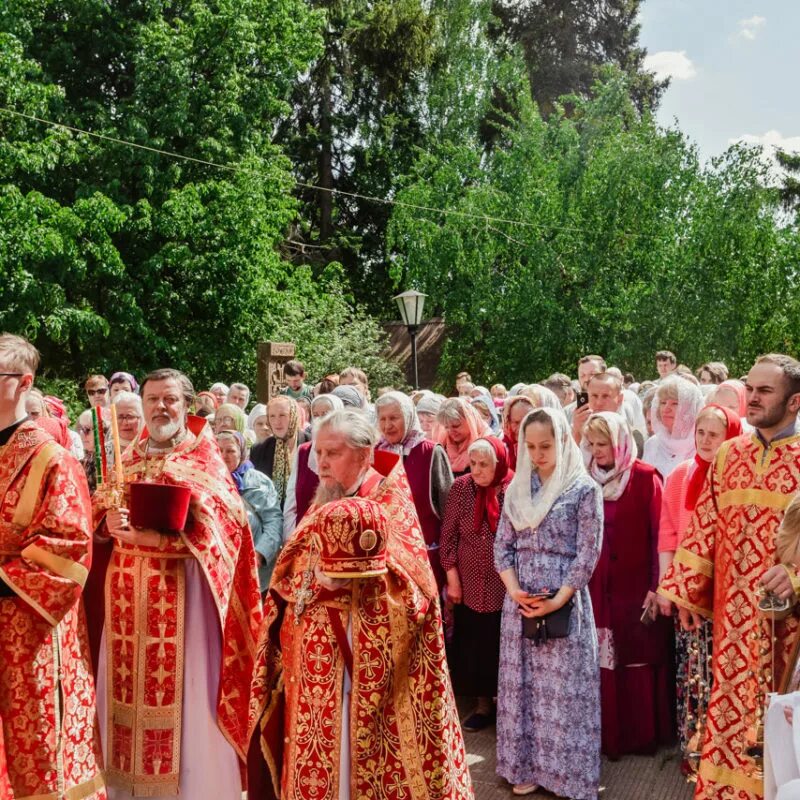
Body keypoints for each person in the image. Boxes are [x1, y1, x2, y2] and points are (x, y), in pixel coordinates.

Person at [249, 412, 473, 800]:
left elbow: (416, 592)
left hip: (363, 679)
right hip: (313, 672)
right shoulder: (326, 499)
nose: (321, 463)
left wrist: (360, 580)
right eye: (318, 452)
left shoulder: (388, 502)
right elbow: (292, 566)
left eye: (332, 453)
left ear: (365, 454)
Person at [95, 368, 262, 799]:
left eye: (169, 399)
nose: (160, 408)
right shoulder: (127, 456)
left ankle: (194, 789)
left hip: (182, 600)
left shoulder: (201, 457)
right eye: (152, 400)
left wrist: (161, 538)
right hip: (125, 598)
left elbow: (229, 529)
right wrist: (105, 523)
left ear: (186, 405)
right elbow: (98, 511)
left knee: (189, 705)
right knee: (120, 696)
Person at [659, 354, 800, 800]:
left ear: (794, 402)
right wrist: (685, 595)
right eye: (750, 388)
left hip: (788, 633)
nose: (753, 398)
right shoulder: (729, 454)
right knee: (729, 721)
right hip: (731, 628)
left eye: (765, 391)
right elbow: (704, 527)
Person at [0, 333, 106, 799]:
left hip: (29, 631)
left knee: (37, 751)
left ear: (23, 383)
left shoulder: (52, 458)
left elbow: (67, 550)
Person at [494, 407, 602, 798]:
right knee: (523, 688)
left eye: (546, 445)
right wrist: (514, 589)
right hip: (520, 601)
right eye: (531, 446)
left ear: (562, 442)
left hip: (564, 600)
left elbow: (587, 553)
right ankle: (526, 766)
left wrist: (558, 600)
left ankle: (565, 775)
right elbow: (502, 546)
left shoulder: (583, 489)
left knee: (562, 691)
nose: (537, 454)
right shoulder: (516, 489)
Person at [582, 412, 674, 759]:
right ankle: (608, 736)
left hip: (636, 587)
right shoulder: (584, 479)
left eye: (602, 443)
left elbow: (659, 536)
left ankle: (639, 737)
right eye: (590, 444)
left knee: (637, 658)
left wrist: (657, 584)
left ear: (619, 443)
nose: (596, 451)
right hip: (596, 590)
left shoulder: (645, 477)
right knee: (603, 660)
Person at [656, 404, 742, 763]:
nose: (706, 441)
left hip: (727, 592)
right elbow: (669, 532)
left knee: (725, 670)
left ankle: (725, 753)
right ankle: (693, 748)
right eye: (701, 433)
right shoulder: (680, 475)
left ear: (732, 438)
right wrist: (667, 585)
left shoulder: (738, 479)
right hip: (689, 592)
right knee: (693, 669)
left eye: (715, 434)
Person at [441, 437, 513, 732]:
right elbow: (448, 538)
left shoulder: (512, 488)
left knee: (501, 644)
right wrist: (453, 580)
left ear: (499, 463)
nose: (478, 470)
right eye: (473, 464)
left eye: (485, 464)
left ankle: (506, 707)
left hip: (504, 584)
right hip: (469, 585)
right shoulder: (462, 488)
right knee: (474, 645)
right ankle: (483, 705)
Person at [375, 391, 453, 590]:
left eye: (394, 418)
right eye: (382, 419)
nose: (387, 425)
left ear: (409, 416)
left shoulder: (430, 452)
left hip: (426, 557)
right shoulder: (375, 453)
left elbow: (449, 513)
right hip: (387, 559)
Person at [217, 430, 282, 591]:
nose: (224, 456)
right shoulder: (209, 478)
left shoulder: (257, 481)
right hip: (220, 570)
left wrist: (260, 552)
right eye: (219, 450)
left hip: (254, 568)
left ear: (242, 452)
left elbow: (273, 520)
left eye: (231, 450)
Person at [282, 393, 344, 536]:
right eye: (316, 414)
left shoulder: (347, 451)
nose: (320, 419)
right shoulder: (304, 451)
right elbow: (291, 500)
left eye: (326, 413)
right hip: (302, 538)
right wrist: (291, 537)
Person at [250, 395, 309, 506]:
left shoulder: (311, 445)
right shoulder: (259, 450)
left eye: (282, 415)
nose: (277, 422)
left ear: (293, 416)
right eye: (272, 416)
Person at [642, 376, 704, 478]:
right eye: (663, 403)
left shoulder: (702, 445)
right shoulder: (652, 444)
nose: (666, 409)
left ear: (690, 408)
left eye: (675, 403)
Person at [436, 397, 493, 477]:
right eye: (446, 427)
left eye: (456, 426)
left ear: (470, 421)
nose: (450, 431)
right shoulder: (443, 444)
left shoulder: (489, 443)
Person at [502, 395, 534, 466]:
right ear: (508, 421)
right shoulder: (502, 448)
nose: (521, 428)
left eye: (526, 422)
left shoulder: (541, 445)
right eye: (516, 422)